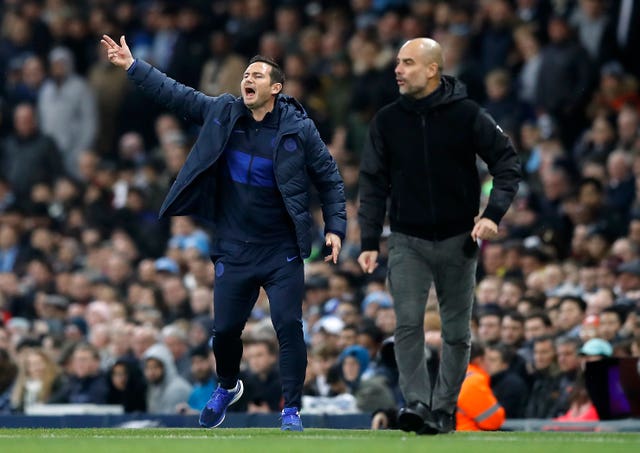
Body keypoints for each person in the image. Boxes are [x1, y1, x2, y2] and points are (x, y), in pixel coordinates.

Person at [101, 34, 346, 431]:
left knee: (288, 325)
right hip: (234, 246)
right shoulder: (223, 113)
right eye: (245, 74)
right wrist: (133, 66)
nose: (246, 79)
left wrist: (335, 227)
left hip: (281, 248)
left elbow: (331, 179)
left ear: (276, 88)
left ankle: (291, 410)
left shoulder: (300, 130)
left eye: (257, 75)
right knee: (226, 331)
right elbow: (176, 94)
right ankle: (228, 385)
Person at [357, 38, 521, 435]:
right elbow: (373, 183)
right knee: (408, 324)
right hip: (407, 238)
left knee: (456, 332)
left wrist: (492, 214)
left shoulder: (466, 115)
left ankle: (444, 410)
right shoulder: (387, 120)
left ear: (432, 69)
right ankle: (415, 403)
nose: (397, 69)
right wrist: (367, 241)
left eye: (408, 63)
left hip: (458, 237)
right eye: (397, 62)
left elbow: (507, 162)